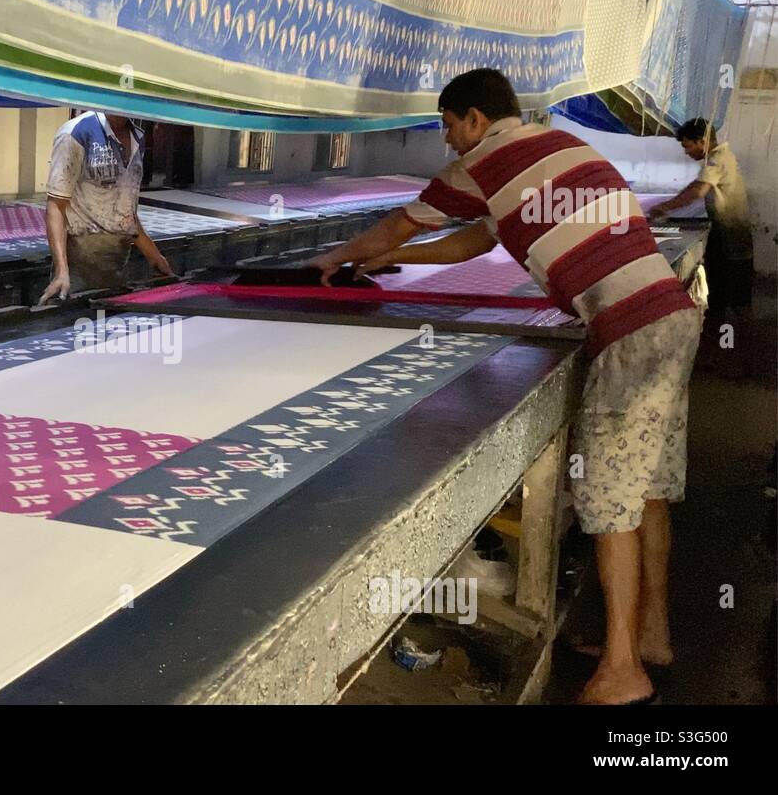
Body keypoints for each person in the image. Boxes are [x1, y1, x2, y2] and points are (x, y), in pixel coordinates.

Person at [311, 68, 702, 705]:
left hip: (628, 334)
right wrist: (385, 263)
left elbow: (399, 224)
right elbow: (475, 239)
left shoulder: (484, 160)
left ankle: (624, 673)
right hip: (670, 318)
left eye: (446, 125)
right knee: (647, 489)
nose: (447, 140)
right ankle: (651, 638)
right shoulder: (559, 147)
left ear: (472, 118)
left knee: (606, 503)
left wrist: (341, 257)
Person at [38, 111, 172, 304]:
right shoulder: (76, 134)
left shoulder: (138, 138)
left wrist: (154, 256)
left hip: (117, 265)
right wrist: (61, 271)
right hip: (78, 265)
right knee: (74, 323)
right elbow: (56, 206)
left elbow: (126, 213)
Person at [648, 118, 754, 326]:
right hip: (728, 226)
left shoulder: (717, 159)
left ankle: (731, 336)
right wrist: (667, 204)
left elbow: (698, 191)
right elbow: (696, 185)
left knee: (732, 279)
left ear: (702, 140)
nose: (686, 152)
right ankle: (726, 325)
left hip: (730, 229)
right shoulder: (720, 156)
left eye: (687, 145)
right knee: (726, 276)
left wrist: (665, 207)